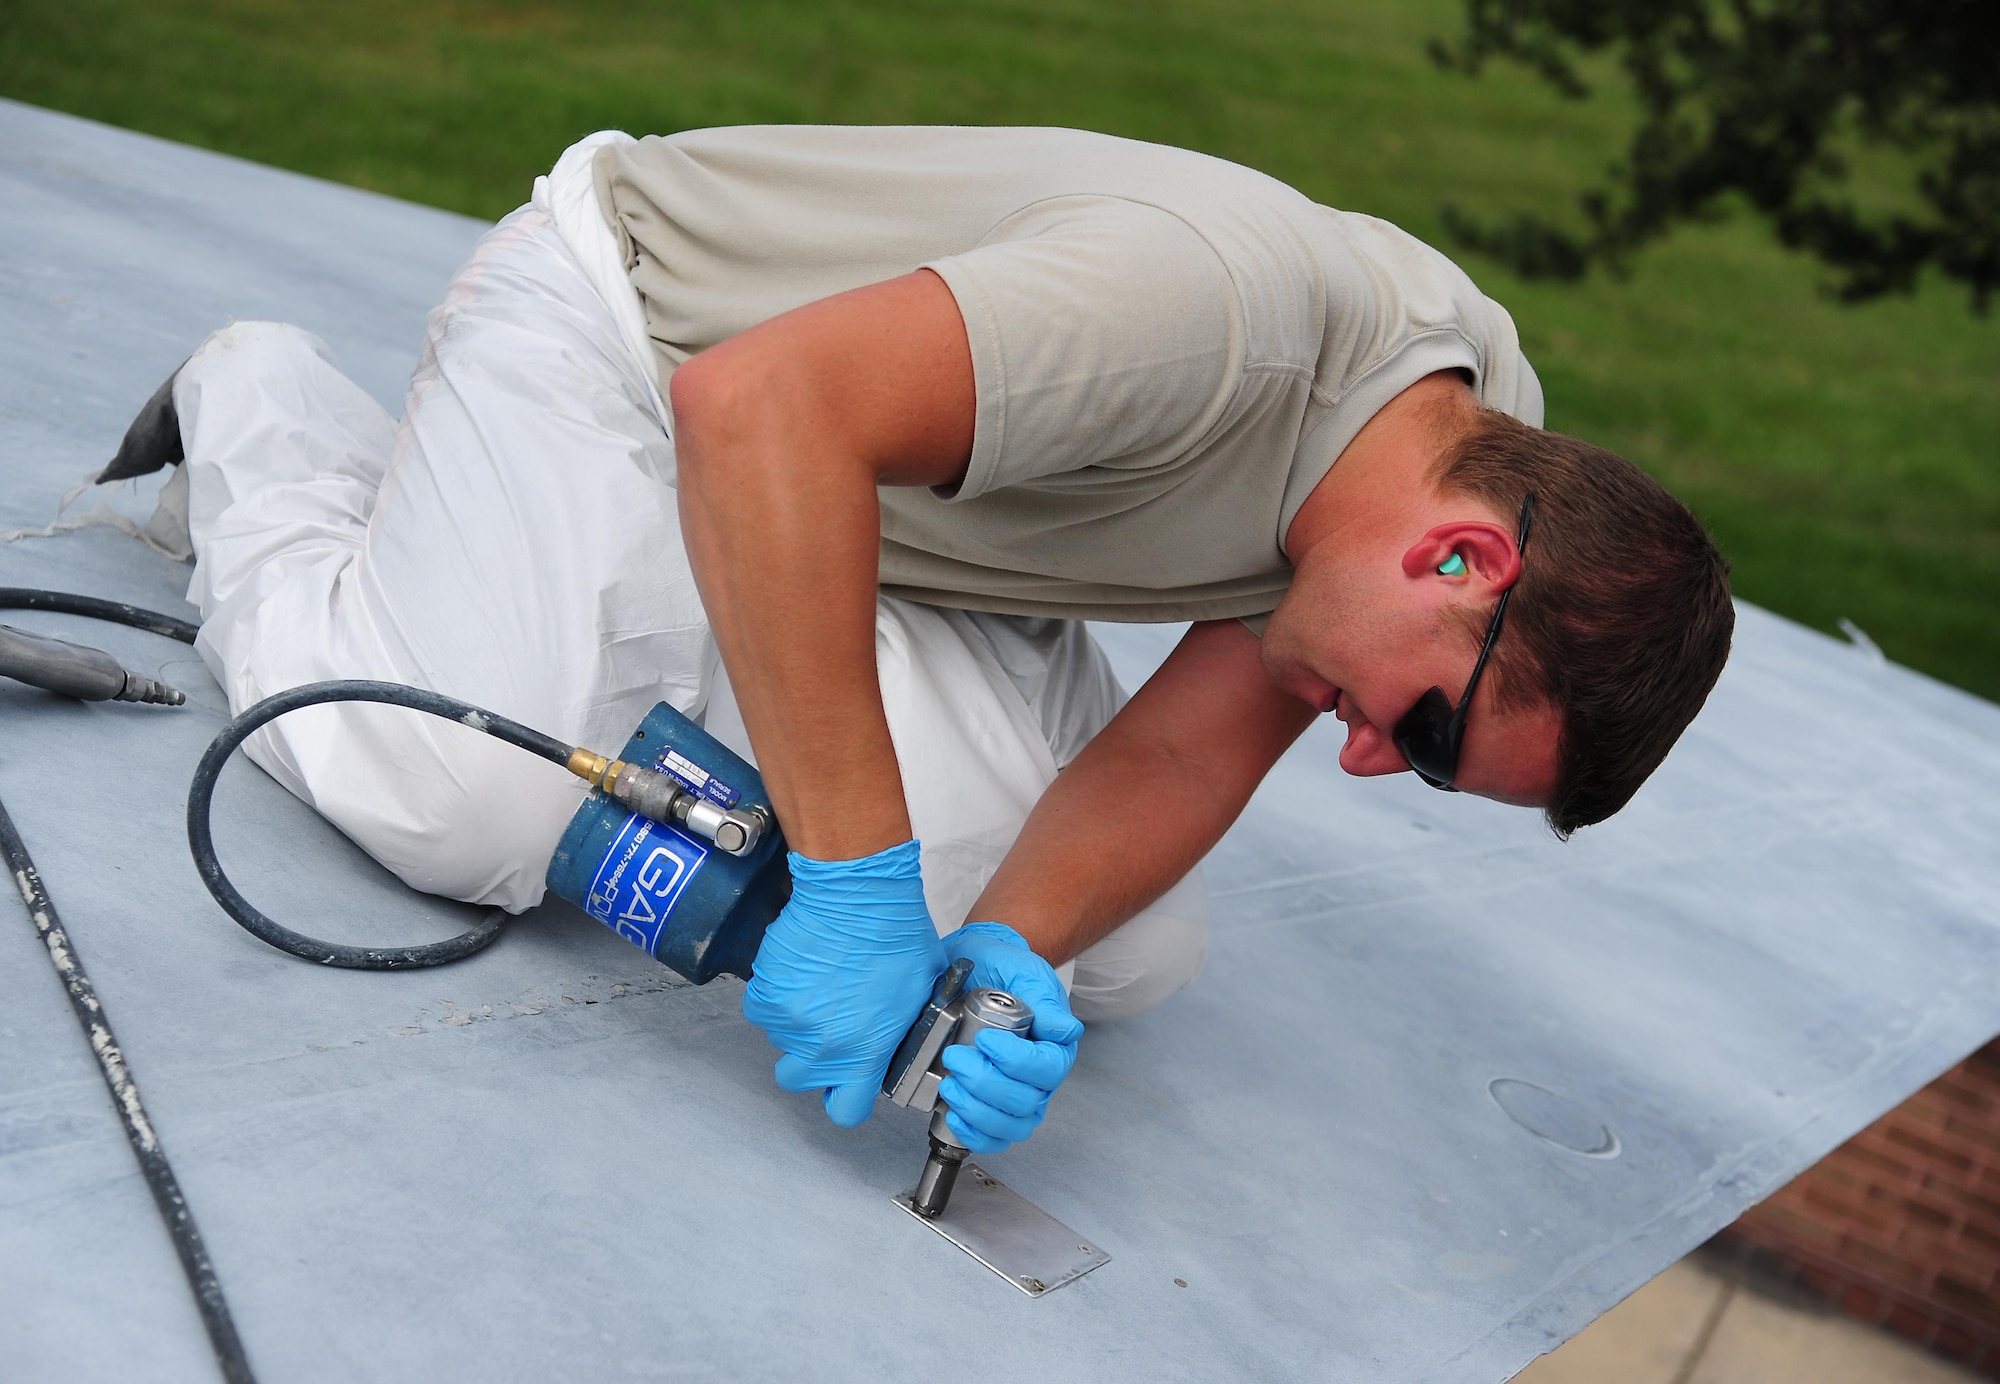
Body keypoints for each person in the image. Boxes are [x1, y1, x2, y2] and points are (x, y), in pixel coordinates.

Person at [97, 126, 1733, 1163]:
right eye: (1429, 730)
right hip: (641, 343)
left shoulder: (1465, 453)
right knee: (456, 800)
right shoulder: (1213, 316)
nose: (1368, 758)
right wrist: (862, 886)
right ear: (1463, 558)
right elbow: (756, 406)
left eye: (1422, 769)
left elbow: (1176, 753)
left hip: (900, 518)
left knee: (1127, 951)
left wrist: (992, 964)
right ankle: (270, 420)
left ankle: (675, 612)